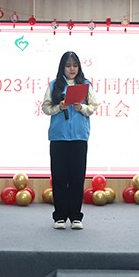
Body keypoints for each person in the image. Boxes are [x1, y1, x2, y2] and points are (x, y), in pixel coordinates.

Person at [41, 51, 98, 230]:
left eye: (75, 65)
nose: (72, 69)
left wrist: (82, 108)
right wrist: (59, 107)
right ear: (62, 67)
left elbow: (94, 107)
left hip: (79, 137)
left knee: (77, 177)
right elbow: (45, 108)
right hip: (58, 137)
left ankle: (75, 217)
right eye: (68, 66)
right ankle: (59, 217)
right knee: (59, 177)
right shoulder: (54, 85)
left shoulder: (86, 84)